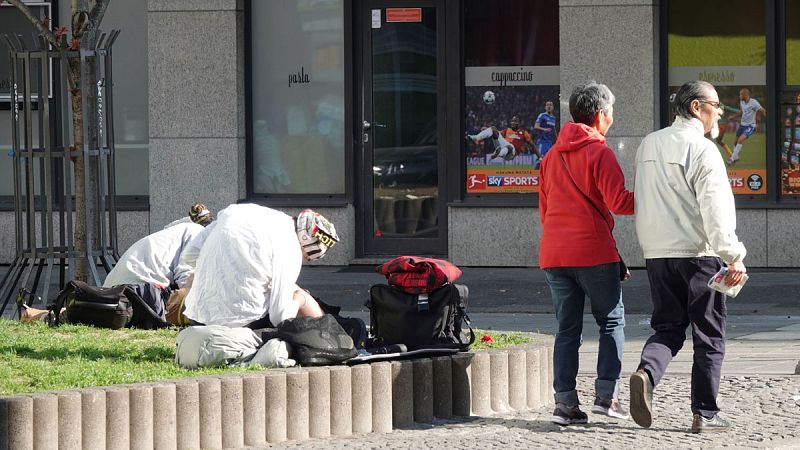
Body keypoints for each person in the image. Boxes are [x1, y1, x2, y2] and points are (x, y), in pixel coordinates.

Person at [630, 80, 747, 433]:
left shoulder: (649, 143)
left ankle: (646, 373)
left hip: (657, 253)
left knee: (667, 327)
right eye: (716, 105)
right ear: (697, 107)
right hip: (699, 254)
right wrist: (733, 254)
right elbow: (716, 209)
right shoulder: (703, 149)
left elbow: (641, 196)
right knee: (709, 335)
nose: (720, 113)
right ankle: (704, 413)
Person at [539, 82, 634, 426]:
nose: (612, 117)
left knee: (567, 330)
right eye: (610, 111)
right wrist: (657, 197)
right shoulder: (600, 152)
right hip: (593, 251)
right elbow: (620, 203)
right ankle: (606, 398)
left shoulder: (550, 156)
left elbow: (545, 210)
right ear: (598, 116)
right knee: (611, 322)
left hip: (554, 254)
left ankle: (564, 405)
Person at [19, 203, 214, 323]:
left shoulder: (176, 231)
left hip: (119, 286)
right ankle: (47, 316)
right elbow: (185, 275)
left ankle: (43, 315)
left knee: (109, 314)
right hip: (142, 288)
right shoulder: (198, 235)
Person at [180, 204, 339, 328]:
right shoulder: (290, 248)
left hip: (197, 317)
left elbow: (189, 255)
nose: (303, 259)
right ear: (307, 245)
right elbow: (280, 317)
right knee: (298, 293)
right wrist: (299, 300)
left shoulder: (237, 211)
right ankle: (328, 332)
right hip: (241, 322)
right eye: (307, 257)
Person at [727, 88, 766, 165]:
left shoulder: (754, 102)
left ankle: (732, 159)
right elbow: (742, 112)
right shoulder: (742, 102)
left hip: (750, 126)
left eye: (741, 94)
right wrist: (733, 117)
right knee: (735, 142)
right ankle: (736, 157)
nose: (739, 96)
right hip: (742, 125)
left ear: (746, 95)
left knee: (740, 140)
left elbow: (763, 110)